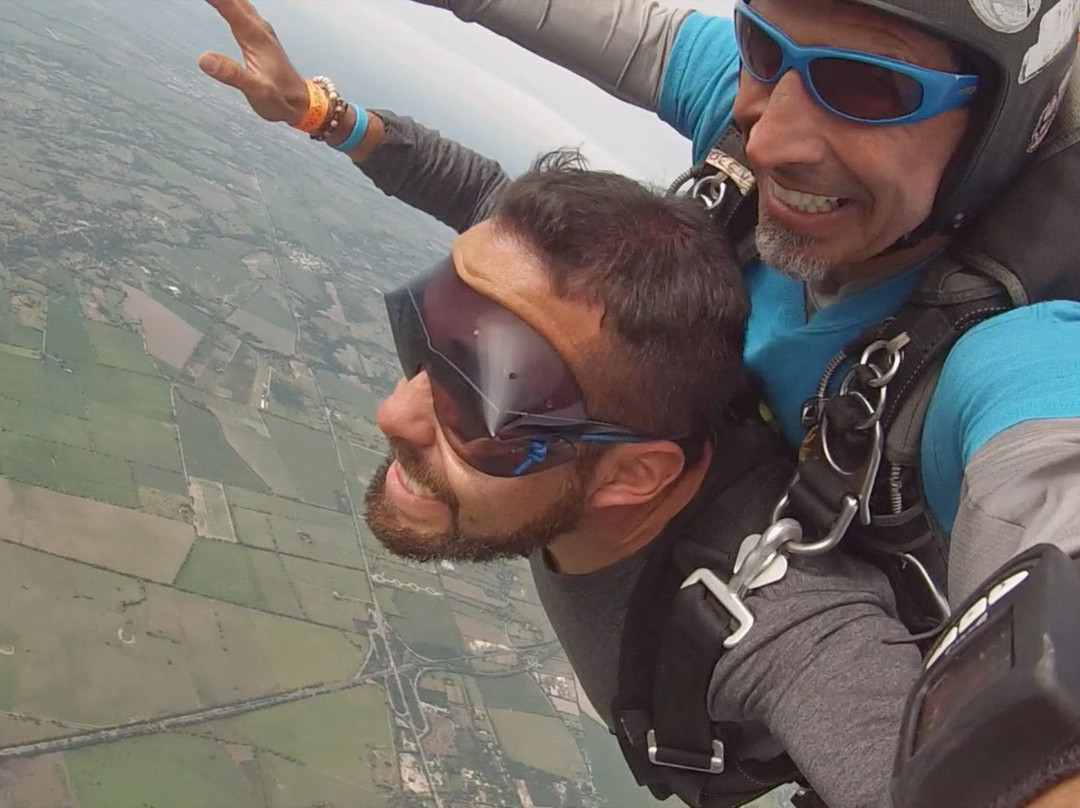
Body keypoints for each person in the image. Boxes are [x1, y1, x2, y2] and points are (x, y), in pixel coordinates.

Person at [194, 1, 1080, 805]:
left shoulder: (1006, 365)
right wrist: (324, 114)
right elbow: (505, 208)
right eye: (760, 46)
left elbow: (1046, 501)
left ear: (992, 127)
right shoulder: (764, 127)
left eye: (871, 88)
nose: (768, 141)